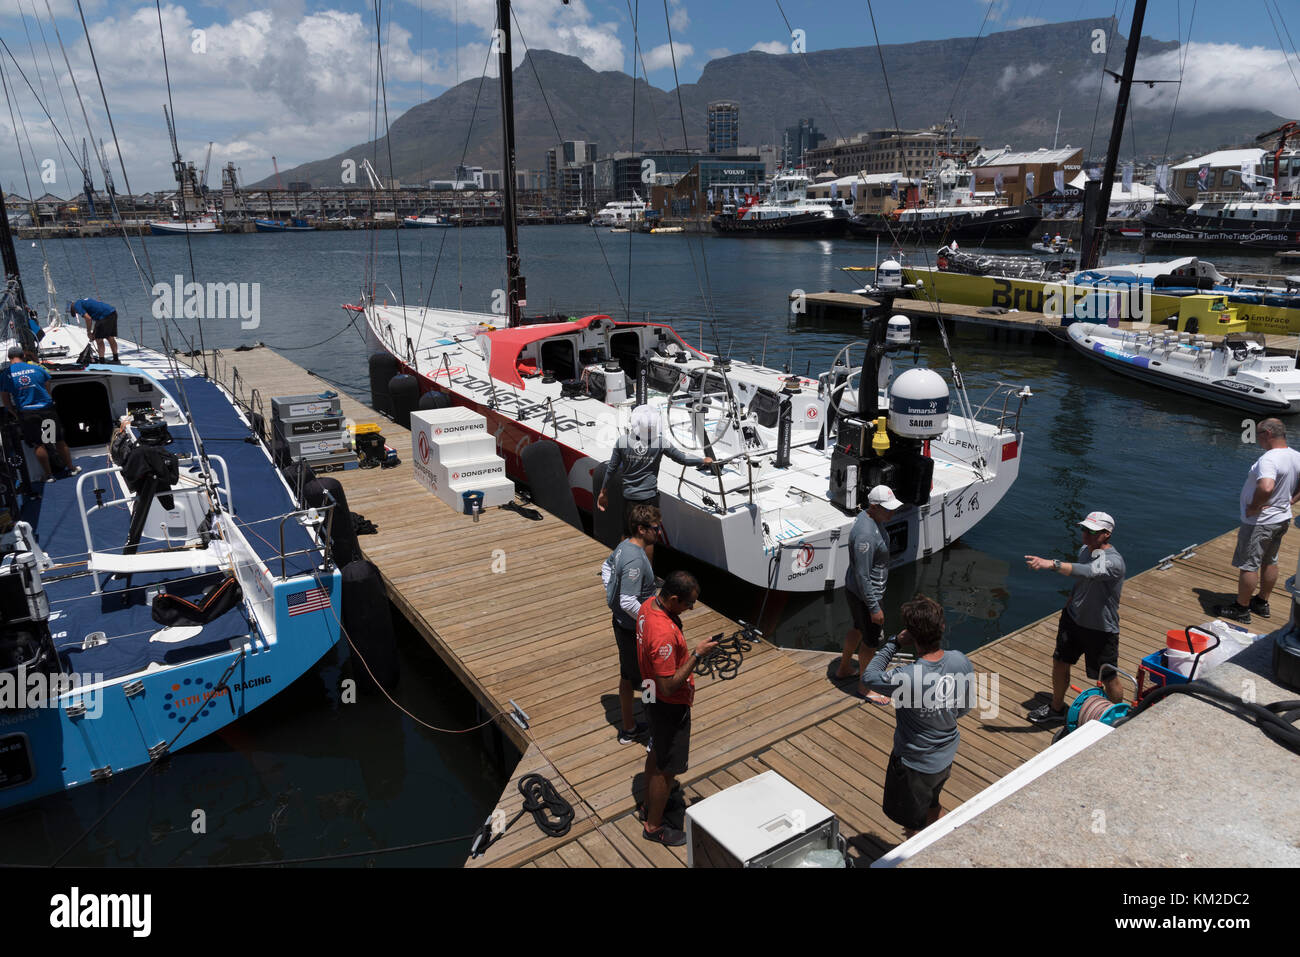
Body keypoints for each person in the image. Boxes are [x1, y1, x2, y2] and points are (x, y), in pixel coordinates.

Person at [861, 594, 974, 837]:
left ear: (911, 636)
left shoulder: (906, 676)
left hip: (915, 764)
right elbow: (964, 709)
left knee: (914, 826)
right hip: (945, 756)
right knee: (932, 805)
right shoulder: (961, 661)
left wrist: (894, 643)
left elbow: (869, 677)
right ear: (942, 627)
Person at [636, 570, 716, 847]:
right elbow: (668, 687)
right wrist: (696, 654)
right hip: (667, 703)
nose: (691, 608)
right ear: (672, 598)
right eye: (688, 603)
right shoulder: (662, 634)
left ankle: (650, 804)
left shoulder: (648, 605)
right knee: (666, 767)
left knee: (656, 748)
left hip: (647, 689)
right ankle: (654, 826)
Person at [1024, 511, 1126, 725]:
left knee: (1108, 676)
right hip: (1072, 620)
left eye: (1092, 531)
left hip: (1100, 629)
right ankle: (1057, 708)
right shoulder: (1084, 550)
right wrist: (1070, 602)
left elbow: (1088, 571)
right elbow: (1081, 580)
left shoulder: (1113, 562)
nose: (1086, 534)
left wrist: (1051, 564)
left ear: (1107, 534)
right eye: (1084, 529)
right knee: (1060, 661)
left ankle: (1119, 718)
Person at [1217, 417, 1300, 623]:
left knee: (1249, 564)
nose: (1257, 440)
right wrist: (1292, 500)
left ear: (1268, 434)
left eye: (1258, 435)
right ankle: (1261, 602)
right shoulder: (1296, 456)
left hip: (1260, 522)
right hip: (1281, 519)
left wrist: (1254, 506)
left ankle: (1241, 608)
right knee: (1270, 561)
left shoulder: (1269, 459)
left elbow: (1266, 487)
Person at [596, 404, 713, 544]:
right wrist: (702, 460)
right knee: (649, 537)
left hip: (629, 499)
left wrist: (603, 492)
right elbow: (683, 459)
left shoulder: (622, 442)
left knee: (628, 533)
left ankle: (623, 562)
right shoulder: (660, 443)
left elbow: (611, 469)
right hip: (650, 499)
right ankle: (647, 566)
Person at [601, 502, 660, 744]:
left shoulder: (624, 546)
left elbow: (606, 568)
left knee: (627, 677)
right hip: (634, 630)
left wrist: (610, 592)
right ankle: (654, 731)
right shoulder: (636, 560)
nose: (659, 532)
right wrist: (652, 621)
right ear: (641, 529)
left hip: (622, 624)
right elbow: (627, 601)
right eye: (655, 528)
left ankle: (629, 727)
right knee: (650, 681)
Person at [836, 485, 901, 680]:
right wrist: (874, 607)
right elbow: (863, 575)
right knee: (871, 642)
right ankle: (867, 686)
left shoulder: (869, 518)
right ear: (873, 506)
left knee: (857, 629)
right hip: (867, 595)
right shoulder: (866, 534)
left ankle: (844, 668)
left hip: (856, 592)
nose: (892, 511)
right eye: (887, 508)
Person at [0, 344, 80, 485]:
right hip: (46, 409)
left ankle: (49, 475)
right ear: (23, 356)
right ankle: (72, 468)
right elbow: (47, 382)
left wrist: (14, 412)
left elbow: (5, 399)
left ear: (9, 358)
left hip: (27, 413)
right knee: (58, 440)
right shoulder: (37, 368)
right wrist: (47, 397)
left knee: (39, 444)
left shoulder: (6, 374)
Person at [69, 297, 119, 363]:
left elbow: (88, 318)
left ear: (74, 309)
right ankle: (116, 359)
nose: (78, 313)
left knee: (99, 339)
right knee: (110, 337)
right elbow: (97, 321)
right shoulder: (82, 302)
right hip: (112, 312)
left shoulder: (77, 306)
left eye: (76, 312)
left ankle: (102, 361)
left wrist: (88, 332)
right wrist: (94, 333)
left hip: (104, 317)